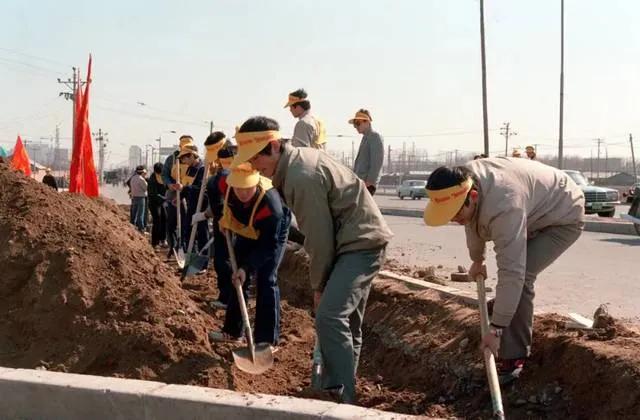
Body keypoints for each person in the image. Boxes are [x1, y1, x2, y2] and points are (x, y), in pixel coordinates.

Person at [233, 116, 393, 403]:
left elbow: (319, 239)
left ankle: (344, 397)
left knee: (330, 317)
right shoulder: (293, 167)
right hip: (353, 240)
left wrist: (319, 287)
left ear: (273, 146)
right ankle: (337, 388)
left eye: (257, 159)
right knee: (347, 323)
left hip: (360, 244)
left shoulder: (300, 176)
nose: (255, 167)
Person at [423, 157, 585, 384]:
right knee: (513, 285)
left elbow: (512, 272)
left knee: (523, 275)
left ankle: (514, 357)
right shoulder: (464, 179)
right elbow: (472, 223)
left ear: (473, 197)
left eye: (456, 214)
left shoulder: (504, 205)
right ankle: (505, 306)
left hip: (562, 215)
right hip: (534, 208)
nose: (454, 219)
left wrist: (496, 328)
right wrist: (477, 259)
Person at [207, 162, 291, 348]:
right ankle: (233, 332)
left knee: (266, 278)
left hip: (270, 231)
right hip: (245, 226)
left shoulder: (272, 207)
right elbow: (212, 187)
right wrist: (222, 216)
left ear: (256, 183)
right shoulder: (222, 182)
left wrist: (247, 267)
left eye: (248, 188)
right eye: (239, 189)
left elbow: (268, 246)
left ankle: (266, 340)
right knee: (237, 278)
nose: (243, 193)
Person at [162, 135, 195, 256]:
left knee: (187, 220)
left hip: (188, 192)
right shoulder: (171, 159)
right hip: (173, 191)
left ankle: (186, 247)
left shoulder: (194, 160)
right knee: (171, 221)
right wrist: (170, 185)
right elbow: (165, 174)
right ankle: (173, 245)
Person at [175, 145, 208, 253]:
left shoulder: (203, 169)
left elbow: (200, 188)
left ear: (193, 156)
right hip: (191, 204)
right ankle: (190, 257)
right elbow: (186, 185)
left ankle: (203, 262)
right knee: (188, 232)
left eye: (185, 158)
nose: (184, 161)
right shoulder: (190, 169)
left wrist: (184, 188)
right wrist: (180, 197)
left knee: (202, 232)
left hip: (201, 206)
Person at [349, 109, 384, 195]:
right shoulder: (365, 138)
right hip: (361, 183)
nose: (356, 127)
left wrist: (370, 181)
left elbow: (377, 162)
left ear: (367, 122)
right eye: (354, 125)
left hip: (367, 184)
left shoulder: (375, 137)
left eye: (358, 123)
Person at [147, 162, 167, 248]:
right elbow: (153, 194)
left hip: (162, 202)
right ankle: (155, 242)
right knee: (157, 220)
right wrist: (164, 198)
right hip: (154, 203)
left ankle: (163, 239)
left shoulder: (164, 177)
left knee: (165, 218)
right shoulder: (152, 180)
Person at [129, 165, 148, 233]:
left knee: (134, 212)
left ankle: (132, 225)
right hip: (141, 198)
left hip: (134, 197)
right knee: (140, 214)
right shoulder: (141, 179)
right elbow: (146, 188)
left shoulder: (133, 178)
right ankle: (141, 228)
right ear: (142, 172)